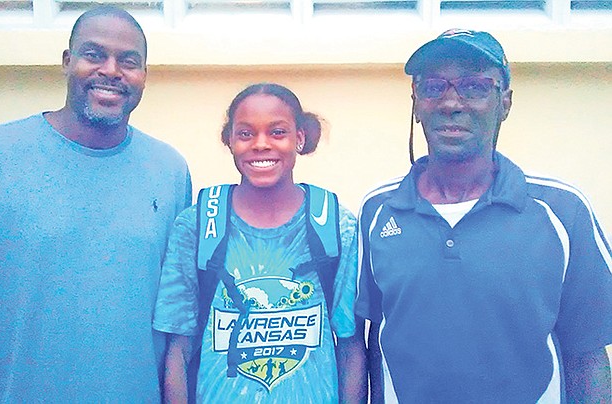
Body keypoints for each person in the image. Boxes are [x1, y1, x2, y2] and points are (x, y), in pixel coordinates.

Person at [0, 6, 191, 402]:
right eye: (94, 55)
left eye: (129, 61)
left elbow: (177, 322)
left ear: (144, 76)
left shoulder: (170, 171)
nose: (111, 70)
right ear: (66, 61)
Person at [356, 29, 612, 403]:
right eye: (433, 87)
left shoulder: (562, 211)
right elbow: (373, 343)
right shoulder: (376, 212)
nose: (451, 103)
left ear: (504, 103)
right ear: (416, 102)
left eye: (474, 87)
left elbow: (588, 355)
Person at [152, 83, 366, 403]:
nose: (261, 144)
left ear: (300, 138)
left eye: (278, 132)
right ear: (230, 141)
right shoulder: (197, 226)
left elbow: (351, 349)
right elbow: (178, 353)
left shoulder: (335, 225)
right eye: (246, 133)